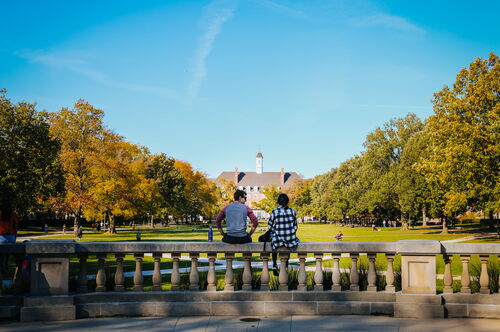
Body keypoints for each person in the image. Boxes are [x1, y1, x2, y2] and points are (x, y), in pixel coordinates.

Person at [268, 194, 300, 276]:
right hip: (290, 240)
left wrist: (276, 230)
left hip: (278, 240)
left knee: (273, 240)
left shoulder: (275, 212)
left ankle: (274, 264)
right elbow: (295, 227)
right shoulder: (292, 211)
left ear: (278, 202)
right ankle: (286, 262)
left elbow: (270, 226)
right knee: (290, 238)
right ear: (287, 201)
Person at [0, 199, 19, 272]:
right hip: (11, 237)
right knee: (7, 254)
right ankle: (6, 264)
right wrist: (15, 237)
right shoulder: (13, 215)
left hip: (1, 237)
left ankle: (2, 265)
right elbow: (15, 228)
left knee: (1, 254)